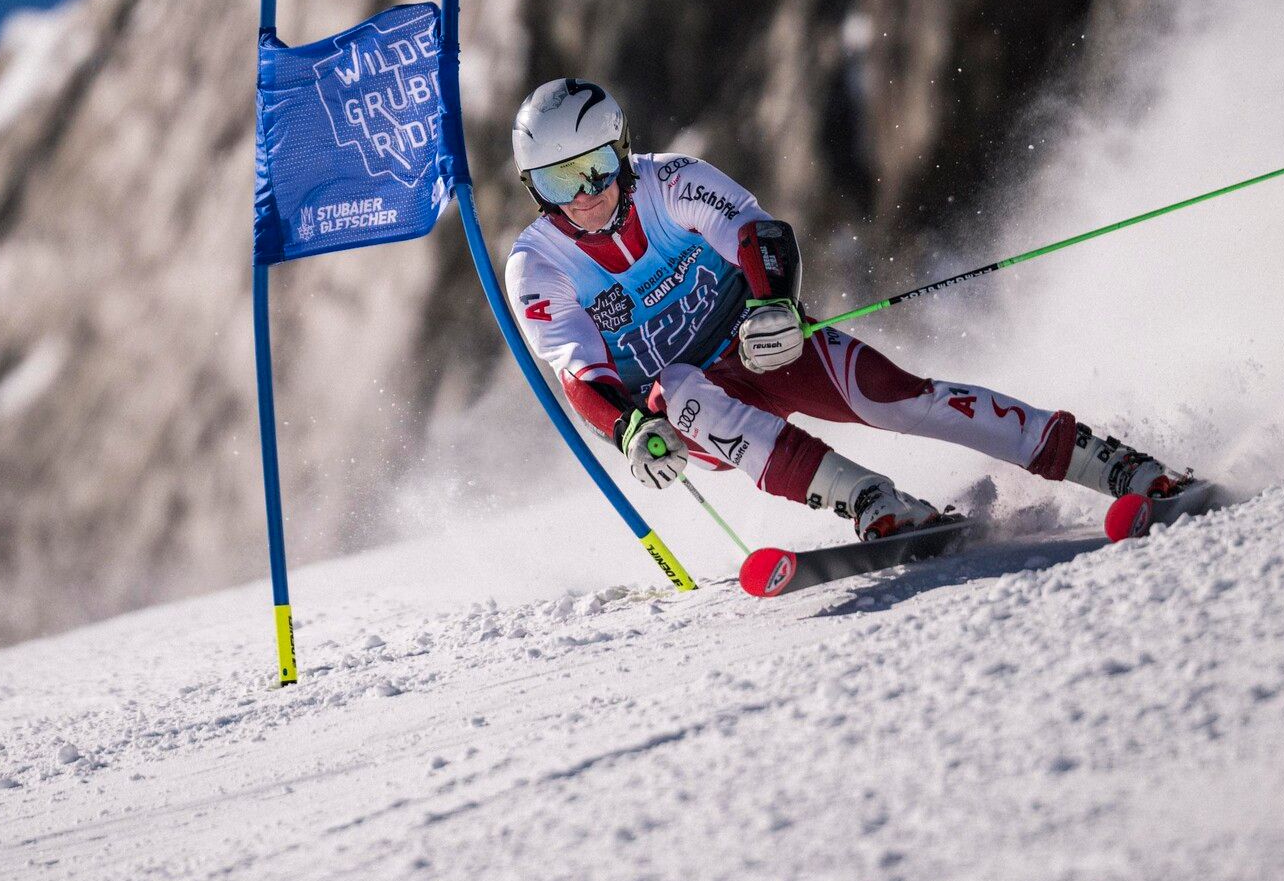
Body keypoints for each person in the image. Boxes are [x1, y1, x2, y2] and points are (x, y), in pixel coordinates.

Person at [503, 77, 1189, 539]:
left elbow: (756, 233)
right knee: (679, 388)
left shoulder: (671, 181)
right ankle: (870, 500)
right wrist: (629, 432)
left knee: (899, 397)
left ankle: (1107, 462)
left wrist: (775, 304)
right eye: (560, 180)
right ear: (534, 186)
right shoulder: (538, 267)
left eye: (596, 166)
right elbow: (580, 373)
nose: (585, 193)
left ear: (623, 151)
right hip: (689, 412)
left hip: (762, 344)